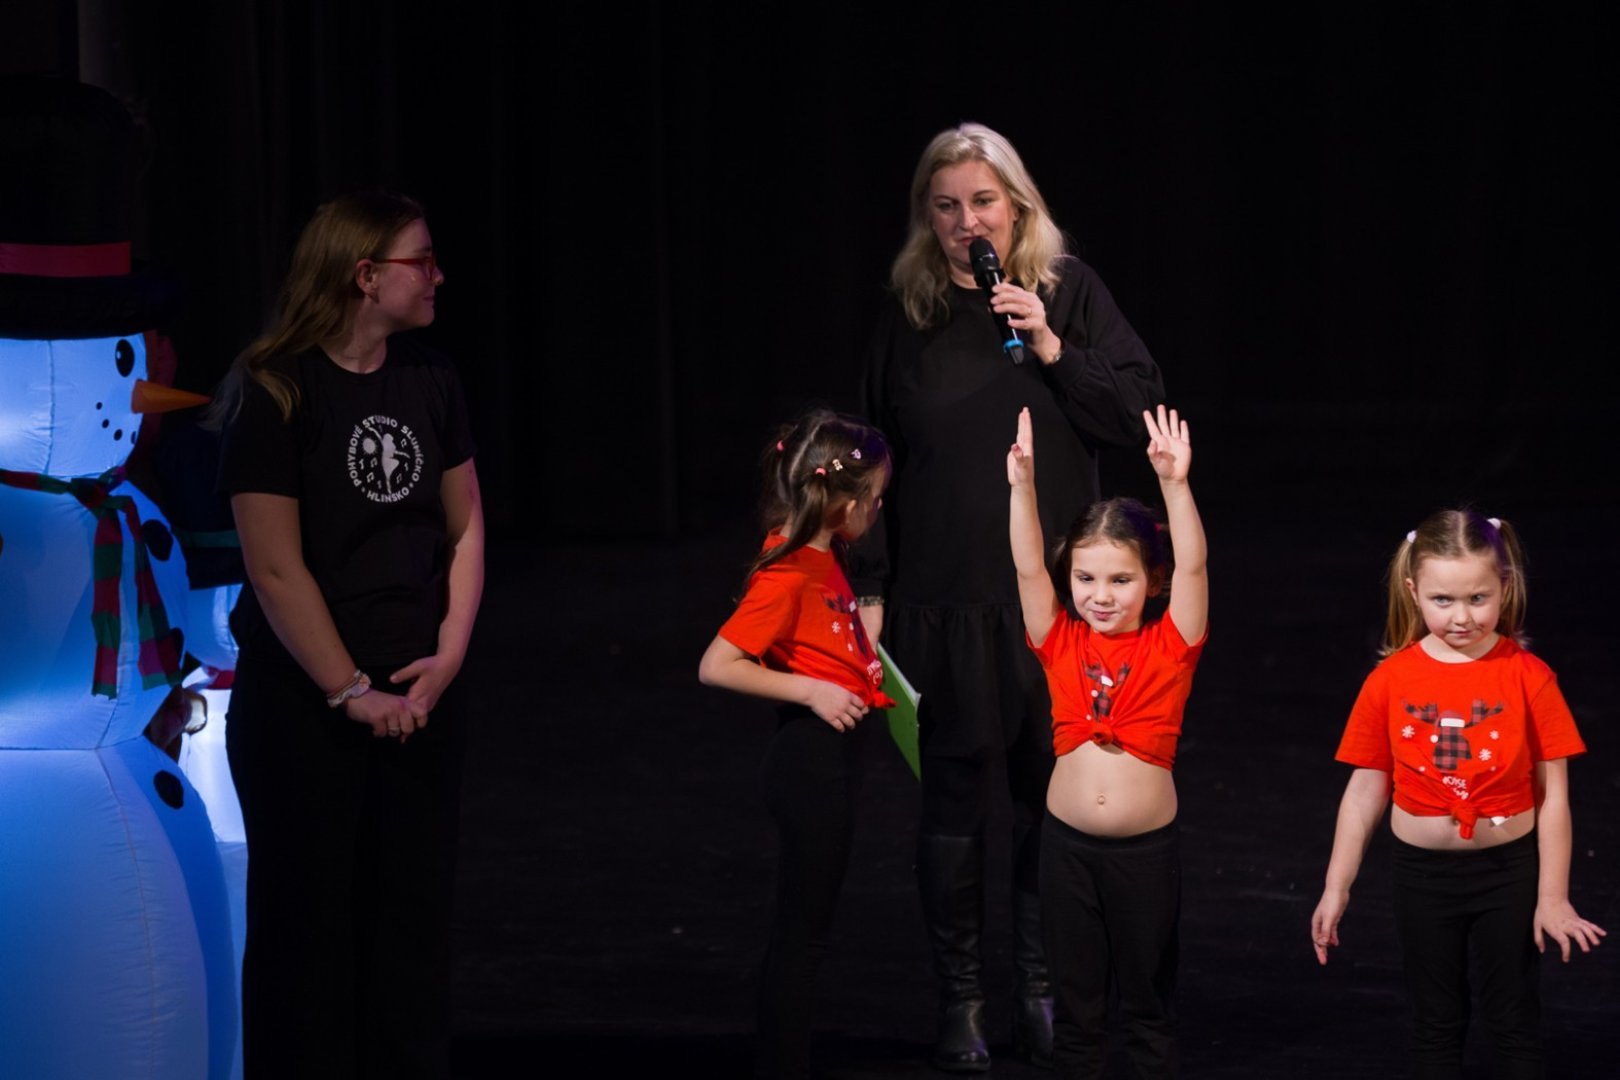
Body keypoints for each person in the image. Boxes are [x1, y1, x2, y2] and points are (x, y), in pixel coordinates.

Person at [855, 121, 1164, 1069]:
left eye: (983, 202)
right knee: (952, 808)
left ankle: (1038, 989)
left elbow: (1137, 412)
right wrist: (869, 588)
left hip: (1053, 608)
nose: (967, 222)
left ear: (1017, 206)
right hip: (941, 598)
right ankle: (961, 999)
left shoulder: (1065, 289)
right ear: (927, 215)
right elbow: (866, 462)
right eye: (946, 205)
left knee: (1048, 799)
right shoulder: (907, 309)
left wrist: (1053, 344)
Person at [213, 190, 483, 1078]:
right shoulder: (278, 391)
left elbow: (465, 528)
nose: (438, 275)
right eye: (421, 260)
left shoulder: (430, 379)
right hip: (307, 706)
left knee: (409, 934)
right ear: (366, 276)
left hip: (419, 698)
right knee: (305, 938)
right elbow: (275, 568)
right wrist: (349, 690)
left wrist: (446, 658)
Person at [1310, 511, 1603, 1077]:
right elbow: (1365, 789)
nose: (1462, 616)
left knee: (1513, 1020)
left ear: (1505, 588)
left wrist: (1553, 897)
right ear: (1413, 592)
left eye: (1478, 598)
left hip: (1507, 873)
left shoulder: (1530, 676)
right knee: (1435, 1022)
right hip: (1421, 877)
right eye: (1443, 600)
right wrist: (1335, 885)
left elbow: (1554, 797)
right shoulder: (1390, 679)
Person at [1007, 404, 1206, 1078]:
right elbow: (1028, 570)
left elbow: (1195, 570)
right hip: (1066, 851)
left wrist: (1175, 486)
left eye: (1121, 580)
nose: (1100, 595)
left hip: (1144, 857)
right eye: (1085, 579)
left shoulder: (1171, 646)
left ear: (1153, 582)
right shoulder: (1059, 639)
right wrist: (1022, 489)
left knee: (1147, 1011)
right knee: (1077, 1015)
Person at [698, 410, 895, 1080]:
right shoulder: (788, 571)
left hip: (832, 761)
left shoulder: (820, 552)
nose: (878, 511)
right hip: (809, 765)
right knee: (801, 940)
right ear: (845, 505)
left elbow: (830, 636)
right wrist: (812, 690)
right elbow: (717, 664)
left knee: (808, 935)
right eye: (875, 500)